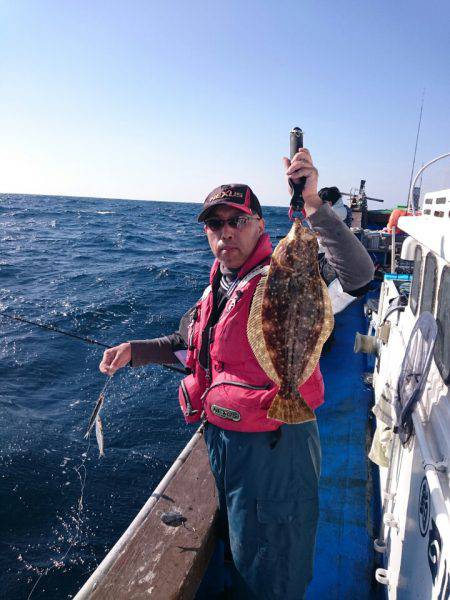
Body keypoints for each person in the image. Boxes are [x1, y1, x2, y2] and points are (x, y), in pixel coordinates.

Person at [99, 149, 374, 599]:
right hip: (226, 444)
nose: (226, 232)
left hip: (278, 445)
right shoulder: (219, 287)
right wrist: (136, 351)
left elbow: (360, 277)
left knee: (273, 570)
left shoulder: (290, 269)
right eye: (215, 224)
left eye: (237, 220)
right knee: (239, 550)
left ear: (261, 226)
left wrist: (314, 208)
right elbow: (190, 344)